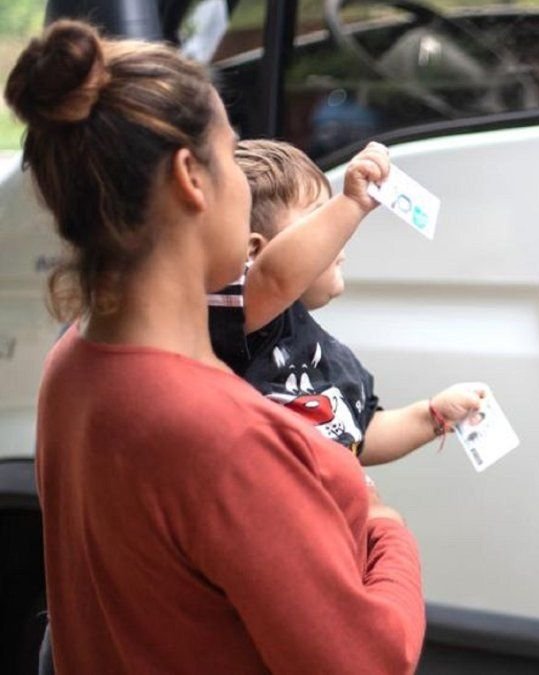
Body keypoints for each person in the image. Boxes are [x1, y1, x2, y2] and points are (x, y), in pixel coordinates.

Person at [5, 20, 424, 673]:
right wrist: (385, 525)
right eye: (232, 155)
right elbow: (368, 661)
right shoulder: (226, 439)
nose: (244, 180)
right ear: (190, 179)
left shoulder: (75, 360)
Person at [209, 139, 484, 462]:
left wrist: (433, 416)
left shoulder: (324, 349)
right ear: (254, 253)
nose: (338, 231)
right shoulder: (245, 325)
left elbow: (361, 434)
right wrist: (351, 203)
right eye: (319, 217)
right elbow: (275, 277)